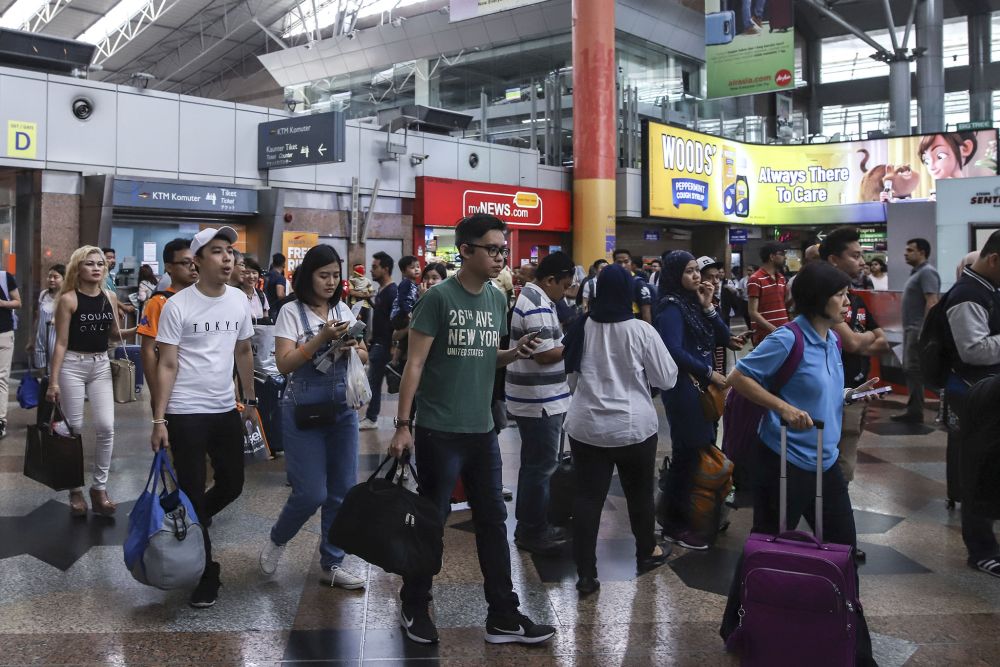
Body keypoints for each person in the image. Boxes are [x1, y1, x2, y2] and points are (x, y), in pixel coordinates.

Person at [387, 213, 554, 646]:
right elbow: (415, 364)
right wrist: (403, 425)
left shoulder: (498, 299)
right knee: (432, 520)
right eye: (494, 249)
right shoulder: (438, 298)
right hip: (439, 430)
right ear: (465, 251)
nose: (502, 257)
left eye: (504, 249)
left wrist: (513, 352)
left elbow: (486, 355)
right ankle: (414, 602)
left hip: (482, 430)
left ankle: (503, 614)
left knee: (494, 520)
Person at [724, 261, 873, 660]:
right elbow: (739, 377)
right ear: (817, 299)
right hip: (785, 460)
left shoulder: (833, 341)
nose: (846, 301)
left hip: (826, 461)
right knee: (768, 540)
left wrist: (851, 396)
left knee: (844, 545)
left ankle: (848, 633)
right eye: (840, 294)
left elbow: (820, 391)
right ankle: (739, 623)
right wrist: (782, 408)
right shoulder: (788, 339)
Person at [150, 226, 256, 608]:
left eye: (230, 251)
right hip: (185, 412)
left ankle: (193, 520)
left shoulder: (239, 302)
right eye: (217, 251)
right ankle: (206, 573)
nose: (228, 258)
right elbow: (167, 363)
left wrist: (251, 399)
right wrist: (159, 419)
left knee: (232, 484)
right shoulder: (178, 306)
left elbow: (244, 351)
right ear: (197, 261)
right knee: (192, 488)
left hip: (225, 408)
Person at [563, 263, 678, 594]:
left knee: (587, 499)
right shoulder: (642, 330)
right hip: (634, 427)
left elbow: (571, 377)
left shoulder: (581, 326)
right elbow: (666, 378)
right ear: (629, 292)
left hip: (586, 427)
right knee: (639, 494)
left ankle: (586, 574)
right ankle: (647, 552)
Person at [258, 244, 368, 589]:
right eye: (324, 275)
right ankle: (278, 538)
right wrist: (321, 338)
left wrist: (354, 349)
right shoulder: (291, 312)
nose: (331, 282)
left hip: (342, 410)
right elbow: (284, 364)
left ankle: (332, 562)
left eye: (336, 275)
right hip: (303, 409)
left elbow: (365, 354)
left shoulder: (344, 310)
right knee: (310, 493)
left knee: (343, 491)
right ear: (308, 276)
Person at [655, 251, 734, 551]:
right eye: (688, 272)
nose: (696, 277)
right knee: (687, 455)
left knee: (696, 451)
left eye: (695, 271)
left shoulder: (692, 304)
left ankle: (689, 514)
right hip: (685, 390)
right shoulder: (671, 308)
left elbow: (724, 336)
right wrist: (708, 372)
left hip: (701, 391)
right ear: (675, 275)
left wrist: (708, 306)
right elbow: (673, 350)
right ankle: (674, 524)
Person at [506, 251, 575, 555]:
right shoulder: (535, 303)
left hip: (541, 398)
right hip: (539, 400)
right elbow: (545, 354)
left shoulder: (540, 299)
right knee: (542, 466)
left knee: (536, 464)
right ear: (550, 280)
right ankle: (533, 531)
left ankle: (529, 526)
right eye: (564, 285)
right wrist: (573, 344)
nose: (566, 292)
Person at [941, 233, 1000, 578]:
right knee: (977, 472)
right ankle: (981, 551)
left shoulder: (986, 289)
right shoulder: (967, 294)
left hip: (988, 394)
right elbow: (973, 350)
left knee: (990, 469)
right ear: (994, 260)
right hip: (973, 397)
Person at [46, 246, 122, 516]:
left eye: (100, 263)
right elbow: (61, 343)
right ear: (78, 268)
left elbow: (113, 334)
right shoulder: (69, 299)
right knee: (73, 427)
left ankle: (99, 488)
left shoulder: (109, 297)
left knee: (106, 426)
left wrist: (142, 329)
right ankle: (75, 488)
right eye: (89, 263)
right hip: (72, 365)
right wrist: (53, 381)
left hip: (101, 364)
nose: (97, 268)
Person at [137, 238, 198, 409]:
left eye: (195, 262)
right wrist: (157, 393)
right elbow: (148, 350)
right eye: (186, 263)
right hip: (174, 387)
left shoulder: (205, 299)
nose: (193, 267)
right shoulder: (159, 302)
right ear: (169, 267)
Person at [894, 238, 941, 423]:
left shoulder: (927, 273)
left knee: (916, 370)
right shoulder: (917, 273)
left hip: (918, 330)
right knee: (912, 370)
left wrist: (926, 331)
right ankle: (914, 410)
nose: (905, 253)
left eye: (910, 250)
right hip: (911, 329)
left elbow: (932, 302)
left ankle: (951, 405)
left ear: (922, 252)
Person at [359, 251, 397, 430]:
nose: (371, 271)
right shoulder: (382, 291)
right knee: (372, 380)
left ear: (386, 269)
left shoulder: (392, 291)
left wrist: (393, 346)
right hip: (378, 343)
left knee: (374, 381)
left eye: (375, 267)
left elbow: (395, 320)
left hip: (385, 345)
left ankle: (372, 417)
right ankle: (371, 416)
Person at [747, 244, 789, 346]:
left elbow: (783, 305)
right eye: (782, 254)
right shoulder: (755, 279)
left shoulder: (781, 278)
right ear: (772, 257)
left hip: (784, 333)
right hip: (766, 336)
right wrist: (774, 330)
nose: (785, 257)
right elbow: (752, 312)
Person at [27, 264, 65, 370]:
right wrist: (32, 339)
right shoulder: (43, 294)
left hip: (56, 339)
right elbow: (38, 318)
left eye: (55, 277)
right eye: (49, 276)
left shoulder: (66, 297)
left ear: (64, 279)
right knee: (42, 371)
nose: (51, 279)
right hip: (41, 338)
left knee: (55, 369)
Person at [612, 249, 652, 323]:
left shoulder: (639, 283)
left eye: (626, 262)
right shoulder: (612, 282)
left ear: (631, 263)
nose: (623, 265)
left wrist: (648, 333)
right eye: (619, 262)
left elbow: (646, 312)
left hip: (635, 327)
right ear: (614, 263)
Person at [240, 257, 269, 321]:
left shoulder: (261, 295)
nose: (251, 276)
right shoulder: (236, 294)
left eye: (254, 273)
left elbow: (266, 319)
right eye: (247, 273)